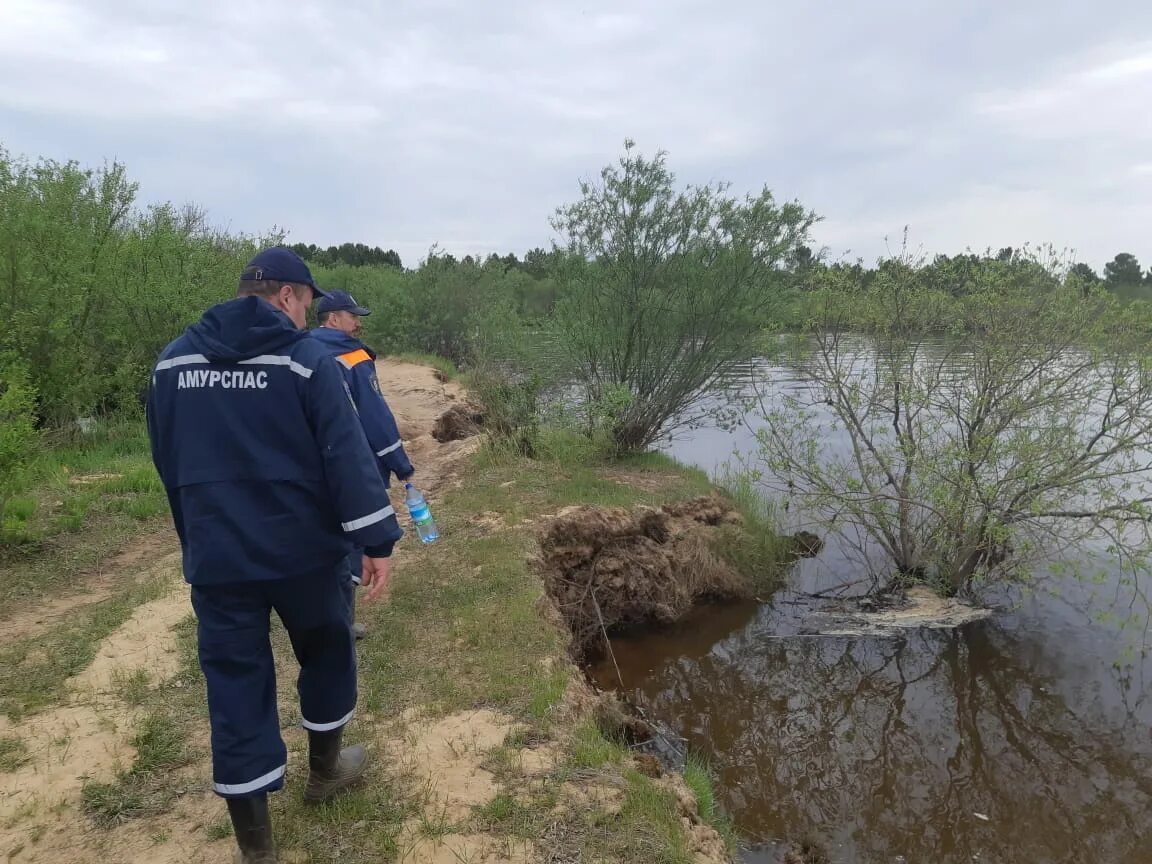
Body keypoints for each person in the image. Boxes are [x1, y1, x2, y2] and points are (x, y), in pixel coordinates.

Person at [145, 247, 403, 864]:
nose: (306, 315)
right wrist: (375, 540)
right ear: (288, 295)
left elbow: (168, 459)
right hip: (305, 555)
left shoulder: (173, 362)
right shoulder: (307, 363)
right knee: (327, 652)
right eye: (308, 301)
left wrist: (196, 534)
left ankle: (256, 850)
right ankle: (326, 771)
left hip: (219, 559)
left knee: (235, 683)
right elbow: (344, 454)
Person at [310, 290, 414, 639]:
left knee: (321, 534)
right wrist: (400, 464)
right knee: (351, 537)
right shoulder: (352, 356)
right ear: (333, 319)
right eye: (353, 317)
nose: (358, 324)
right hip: (352, 464)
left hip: (311, 466)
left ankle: (320, 612)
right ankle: (342, 623)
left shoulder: (300, 350)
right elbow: (375, 416)